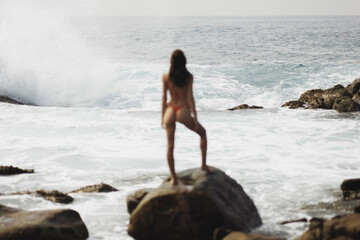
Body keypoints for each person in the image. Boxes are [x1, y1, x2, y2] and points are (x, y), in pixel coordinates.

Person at [161, 49, 210, 185]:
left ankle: (173, 178)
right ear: (184, 62)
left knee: (170, 146)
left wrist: (162, 117)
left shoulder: (166, 77)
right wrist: (194, 117)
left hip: (170, 110)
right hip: (182, 110)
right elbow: (190, 98)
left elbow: (164, 98)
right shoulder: (188, 77)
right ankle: (204, 166)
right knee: (203, 133)